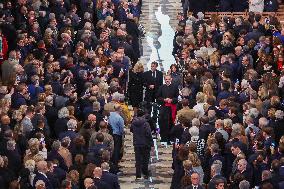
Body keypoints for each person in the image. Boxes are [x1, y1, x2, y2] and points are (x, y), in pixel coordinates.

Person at [130, 108, 153, 180]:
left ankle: (138, 175)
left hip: (137, 143)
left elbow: (131, 130)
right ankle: (145, 172)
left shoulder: (133, 122)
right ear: (143, 115)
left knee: (138, 159)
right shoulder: (146, 123)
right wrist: (151, 142)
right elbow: (148, 133)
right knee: (145, 159)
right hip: (145, 143)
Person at [156, 74, 179, 144]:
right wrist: (164, 100)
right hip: (164, 108)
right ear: (164, 80)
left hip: (172, 108)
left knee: (171, 123)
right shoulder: (161, 87)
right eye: (166, 79)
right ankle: (164, 138)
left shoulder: (175, 87)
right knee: (163, 123)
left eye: (168, 79)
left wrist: (171, 100)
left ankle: (170, 139)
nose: (167, 81)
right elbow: (158, 98)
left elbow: (177, 98)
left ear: (171, 79)